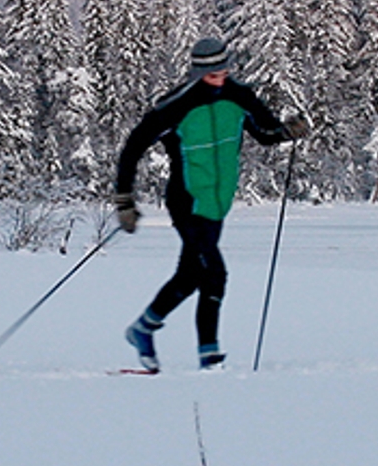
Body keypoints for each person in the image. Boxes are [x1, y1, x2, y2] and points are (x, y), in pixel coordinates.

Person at [110, 36, 306, 371]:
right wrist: (124, 198)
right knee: (214, 273)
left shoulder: (239, 96)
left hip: (217, 204)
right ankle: (210, 357)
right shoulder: (176, 105)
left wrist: (288, 132)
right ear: (198, 72)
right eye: (213, 72)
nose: (221, 76)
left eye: (224, 69)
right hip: (186, 200)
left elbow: (265, 133)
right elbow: (133, 147)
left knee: (190, 275)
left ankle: (142, 329)